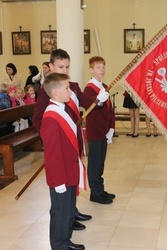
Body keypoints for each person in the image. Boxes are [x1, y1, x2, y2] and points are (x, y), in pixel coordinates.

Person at [33, 49, 107, 230]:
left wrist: (99, 100)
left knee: (73, 177)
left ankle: (72, 211)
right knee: (62, 181)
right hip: (60, 142)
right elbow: (38, 120)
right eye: (60, 66)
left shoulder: (71, 85)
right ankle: (67, 217)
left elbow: (85, 100)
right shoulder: (46, 91)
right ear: (50, 66)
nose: (64, 70)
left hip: (75, 141)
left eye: (67, 67)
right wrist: (53, 138)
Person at [41, 73, 85, 250]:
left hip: (69, 172)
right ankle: (59, 245)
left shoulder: (62, 109)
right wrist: (58, 180)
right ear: (55, 91)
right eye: (66, 87)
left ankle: (66, 240)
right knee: (60, 212)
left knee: (68, 212)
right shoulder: (51, 117)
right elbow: (52, 153)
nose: (70, 90)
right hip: (61, 177)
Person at [84, 56, 116, 205]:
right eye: (98, 67)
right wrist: (105, 130)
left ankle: (100, 189)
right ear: (91, 70)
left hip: (104, 131)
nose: (101, 69)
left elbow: (109, 109)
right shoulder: (89, 88)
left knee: (101, 162)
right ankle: (95, 193)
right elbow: (93, 114)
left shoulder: (104, 86)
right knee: (95, 163)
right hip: (96, 132)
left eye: (103, 66)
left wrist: (111, 128)